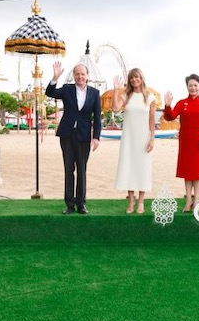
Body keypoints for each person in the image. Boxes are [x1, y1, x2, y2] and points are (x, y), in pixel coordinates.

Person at [45, 62, 102, 214]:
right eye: (77, 74)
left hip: (84, 136)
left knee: (82, 171)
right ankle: (69, 204)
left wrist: (96, 137)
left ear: (87, 76)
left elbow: (97, 118)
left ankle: (81, 204)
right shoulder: (67, 89)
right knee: (68, 170)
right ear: (74, 76)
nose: (80, 77)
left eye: (83, 74)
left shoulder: (95, 93)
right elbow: (50, 93)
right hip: (67, 135)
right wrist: (55, 77)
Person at [163, 73, 199, 213]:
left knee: (197, 172)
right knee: (187, 172)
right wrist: (168, 106)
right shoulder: (182, 103)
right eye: (190, 85)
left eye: (195, 85)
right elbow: (170, 117)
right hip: (186, 141)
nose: (193, 88)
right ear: (187, 87)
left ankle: (197, 200)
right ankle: (188, 201)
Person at [113, 68, 156, 214]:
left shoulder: (150, 97)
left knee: (143, 168)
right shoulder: (127, 95)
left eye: (136, 77)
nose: (134, 80)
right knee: (129, 167)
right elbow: (115, 108)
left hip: (143, 137)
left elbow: (151, 120)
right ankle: (131, 201)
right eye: (131, 78)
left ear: (141, 78)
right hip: (129, 138)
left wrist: (152, 139)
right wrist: (116, 90)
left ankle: (141, 201)